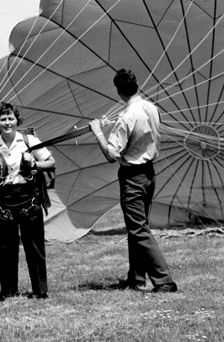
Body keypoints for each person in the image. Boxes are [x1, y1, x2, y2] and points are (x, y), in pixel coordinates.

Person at [89, 68, 178, 293]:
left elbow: (111, 154)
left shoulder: (126, 117)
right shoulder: (152, 108)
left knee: (138, 229)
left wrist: (98, 132)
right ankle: (136, 279)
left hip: (133, 177)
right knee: (137, 227)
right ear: (137, 84)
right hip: (150, 174)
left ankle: (164, 279)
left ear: (119, 92)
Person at [0, 103, 56, 299]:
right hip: (4, 199)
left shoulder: (29, 140)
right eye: (3, 119)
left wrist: (34, 164)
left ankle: (40, 290)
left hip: (28, 197)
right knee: (5, 248)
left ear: (17, 121)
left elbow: (51, 162)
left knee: (34, 246)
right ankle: (9, 291)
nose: (7, 122)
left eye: (11, 118)